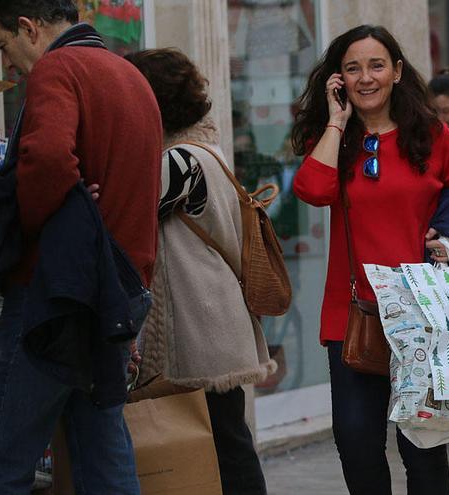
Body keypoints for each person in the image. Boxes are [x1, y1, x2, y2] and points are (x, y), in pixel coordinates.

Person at [0, 1, 162, 493]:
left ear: (30, 28)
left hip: (57, 293)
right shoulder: (130, 76)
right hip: (119, 288)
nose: (9, 65)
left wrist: (45, 215)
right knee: (102, 451)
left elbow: (51, 159)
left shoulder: (58, 66)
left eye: (4, 46)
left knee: (0, 459)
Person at [291, 24, 449, 495]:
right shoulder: (337, 141)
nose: (366, 77)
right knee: (356, 443)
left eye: (376, 65)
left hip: (424, 313)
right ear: (340, 80)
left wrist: (446, 230)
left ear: (396, 71)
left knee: (423, 448)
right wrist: (336, 121)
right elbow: (313, 190)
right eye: (353, 69)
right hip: (354, 314)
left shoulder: (431, 136)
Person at [125, 48, 277, 495]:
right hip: (212, 319)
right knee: (226, 438)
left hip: (203, 323)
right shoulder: (204, 151)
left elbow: (128, 213)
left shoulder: (182, 161)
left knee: (225, 442)